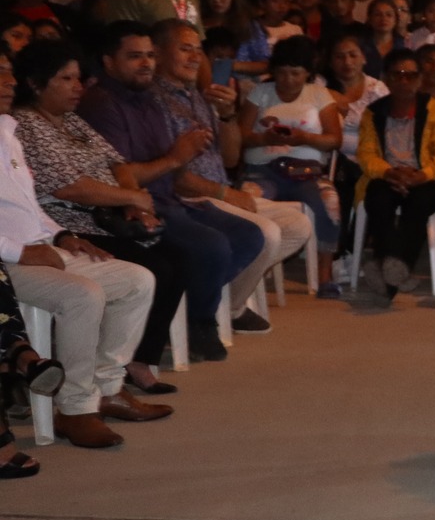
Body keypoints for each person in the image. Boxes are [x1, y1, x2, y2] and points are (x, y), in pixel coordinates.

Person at [9, 38, 195, 399]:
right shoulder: (26, 125)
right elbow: (67, 187)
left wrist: (132, 203)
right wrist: (129, 196)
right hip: (66, 223)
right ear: (35, 83)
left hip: (104, 217)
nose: (78, 87)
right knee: (155, 267)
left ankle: (139, 360)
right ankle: (108, 373)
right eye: (66, 79)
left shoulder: (73, 122)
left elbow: (117, 164)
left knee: (179, 257)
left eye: (79, 78)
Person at [0, 51, 163, 450]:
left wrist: (60, 235)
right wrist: (20, 252)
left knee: (136, 280)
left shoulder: (7, 132)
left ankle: (106, 387)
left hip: (40, 247)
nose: (9, 81)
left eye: (8, 72)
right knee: (84, 295)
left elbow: (30, 207)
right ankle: (75, 409)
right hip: (6, 262)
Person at [79, 22, 271, 351]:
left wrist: (226, 117)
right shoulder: (101, 103)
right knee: (212, 245)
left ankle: (186, 310)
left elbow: (228, 158)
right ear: (109, 62)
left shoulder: (152, 99)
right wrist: (176, 158)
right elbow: (119, 176)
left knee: (250, 235)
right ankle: (198, 320)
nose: (146, 64)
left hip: (171, 198)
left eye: (149, 56)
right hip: (134, 206)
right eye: (135, 56)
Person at [149, 19, 315, 325]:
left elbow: (230, 157)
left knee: (297, 225)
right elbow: (173, 176)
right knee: (266, 233)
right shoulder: (152, 100)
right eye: (185, 49)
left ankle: (224, 302)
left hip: (219, 189)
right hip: (192, 200)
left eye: (198, 50)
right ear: (157, 53)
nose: (195, 58)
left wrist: (227, 116)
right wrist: (227, 194)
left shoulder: (198, 96)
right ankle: (211, 308)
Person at [239, 36, 345, 298]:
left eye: (295, 73)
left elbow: (334, 139)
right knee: (246, 201)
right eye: (282, 72)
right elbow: (239, 134)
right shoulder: (260, 93)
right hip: (263, 169)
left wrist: (304, 138)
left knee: (328, 201)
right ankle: (247, 268)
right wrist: (266, 139)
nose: (287, 80)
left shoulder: (319, 95)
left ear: (308, 73)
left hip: (305, 171)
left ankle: (324, 274)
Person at [355, 48, 435, 298]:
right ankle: (395, 273)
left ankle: (386, 273)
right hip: (387, 175)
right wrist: (390, 172)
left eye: (411, 75)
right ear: (387, 78)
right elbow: (367, 154)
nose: (404, 81)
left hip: (428, 178)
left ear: (420, 79)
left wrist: (420, 176)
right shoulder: (373, 113)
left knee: (420, 203)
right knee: (377, 200)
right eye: (398, 75)